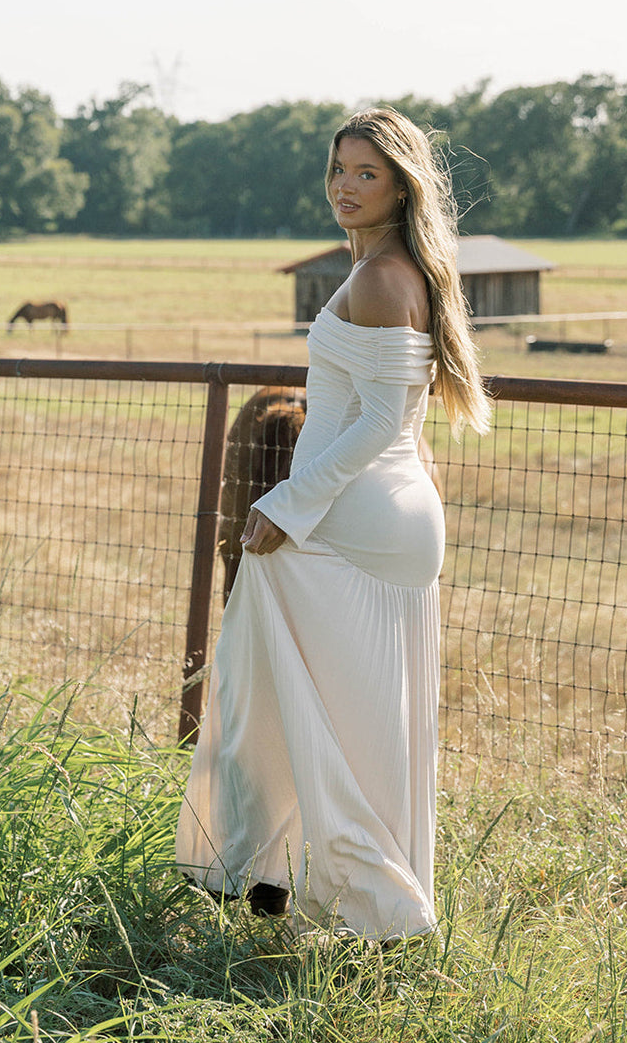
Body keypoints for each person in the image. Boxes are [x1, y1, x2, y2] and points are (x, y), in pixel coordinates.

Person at [175, 106, 491, 941]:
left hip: (360, 520)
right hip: (383, 513)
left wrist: (285, 502)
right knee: (349, 717)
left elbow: (382, 420)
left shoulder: (386, 277)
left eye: (367, 174)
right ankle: (286, 879)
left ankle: (350, 899)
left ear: (402, 186)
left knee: (277, 668)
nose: (345, 189)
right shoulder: (384, 269)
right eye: (338, 171)